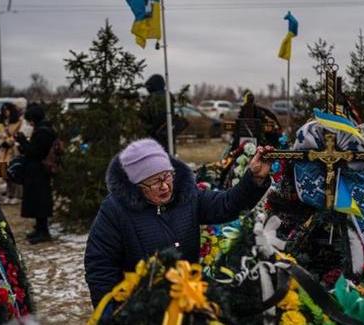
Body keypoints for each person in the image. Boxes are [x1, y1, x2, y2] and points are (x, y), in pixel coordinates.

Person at [84, 138, 272, 307]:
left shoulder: (186, 195)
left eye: (167, 176)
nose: (165, 186)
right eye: (154, 182)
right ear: (137, 185)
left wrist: (253, 178)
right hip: (142, 309)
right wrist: (114, 313)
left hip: (186, 302)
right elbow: (100, 267)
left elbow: (226, 205)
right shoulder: (115, 210)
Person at [16, 103, 56, 244]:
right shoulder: (42, 129)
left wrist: (22, 142)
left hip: (39, 171)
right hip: (37, 171)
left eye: (30, 120)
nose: (30, 123)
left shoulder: (43, 132)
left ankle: (43, 231)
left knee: (40, 202)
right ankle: (39, 229)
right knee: (37, 201)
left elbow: (35, 153)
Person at [138, 74, 188, 152]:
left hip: (154, 138)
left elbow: (144, 117)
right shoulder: (168, 97)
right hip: (168, 137)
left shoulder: (152, 99)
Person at [0, 103, 22, 204]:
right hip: (4, 151)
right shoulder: (3, 122)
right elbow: (0, 135)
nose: (5, 112)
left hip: (13, 150)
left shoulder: (18, 122)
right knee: (5, 174)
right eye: (4, 110)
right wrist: (2, 142)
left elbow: (18, 135)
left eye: (7, 110)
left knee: (14, 173)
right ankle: (8, 194)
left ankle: (16, 195)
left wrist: (8, 141)